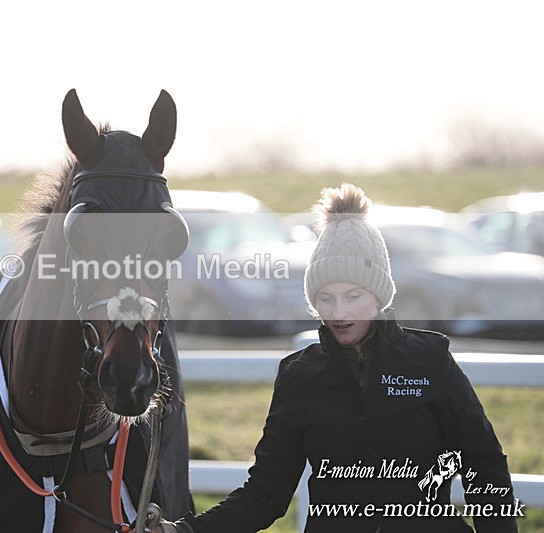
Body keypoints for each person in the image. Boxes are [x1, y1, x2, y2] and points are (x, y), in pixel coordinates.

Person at [157, 184, 517, 532]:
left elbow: (484, 467)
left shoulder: (429, 361)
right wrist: (187, 531)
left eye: (353, 295)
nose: (339, 311)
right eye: (326, 298)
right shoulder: (300, 376)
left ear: (379, 296)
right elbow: (266, 494)